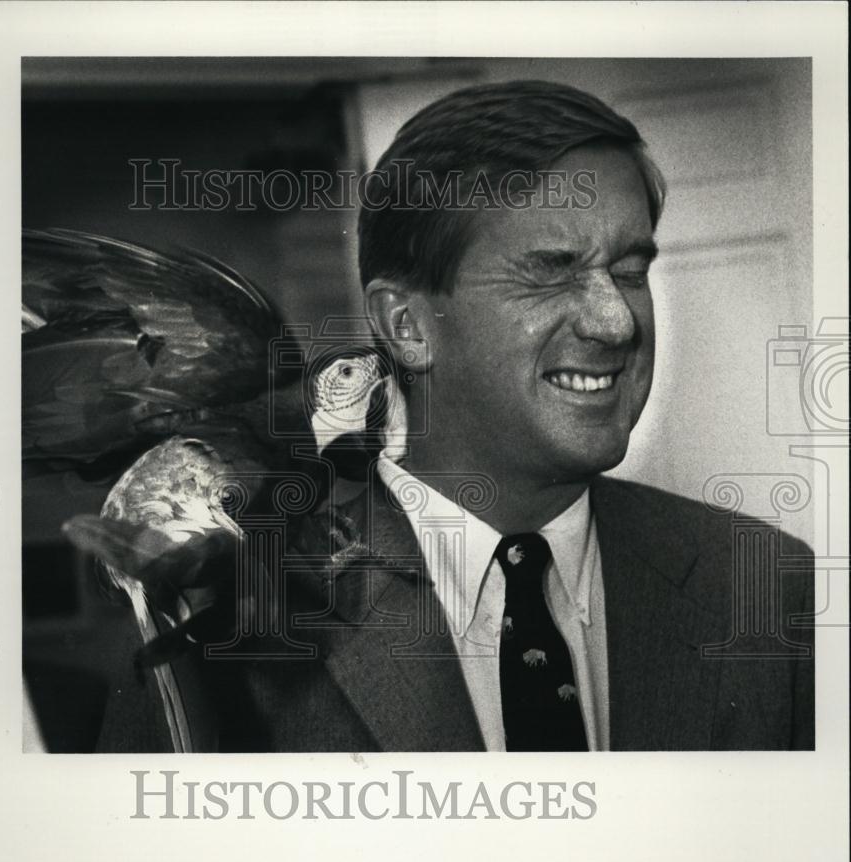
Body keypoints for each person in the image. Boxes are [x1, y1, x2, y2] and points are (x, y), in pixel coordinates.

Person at [96, 79, 814, 752]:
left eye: (630, 271)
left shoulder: (769, 586)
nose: (616, 321)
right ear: (407, 326)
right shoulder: (227, 628)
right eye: (550, 271)